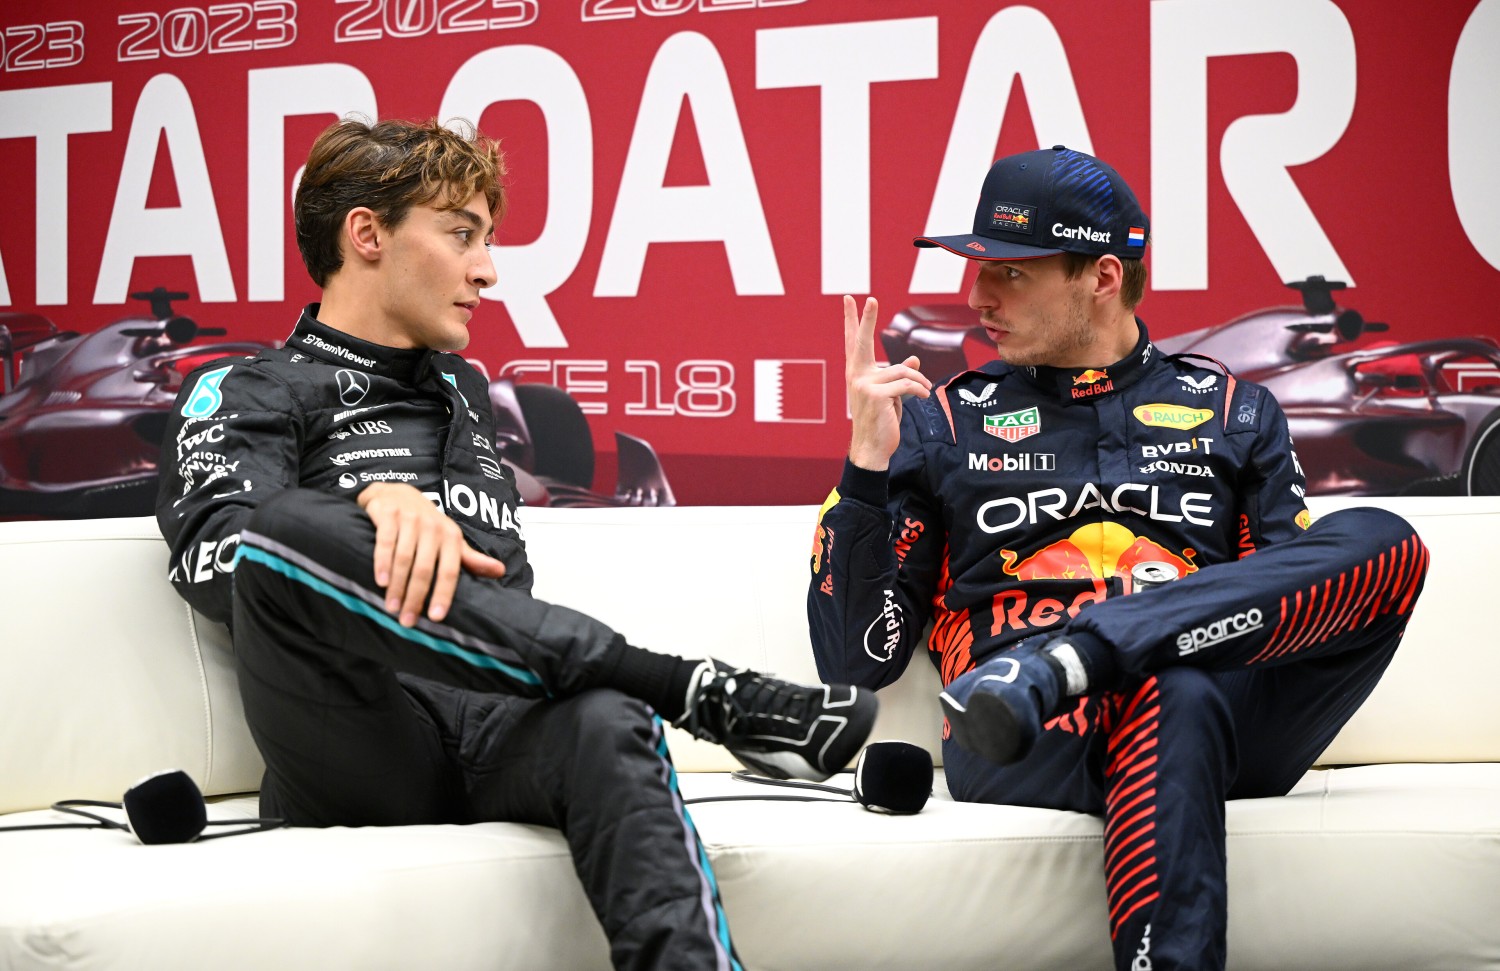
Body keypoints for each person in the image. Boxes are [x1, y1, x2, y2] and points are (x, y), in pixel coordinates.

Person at [157, 116, 876, 971]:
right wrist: (369, 505)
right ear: (366, 234)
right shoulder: (248, 386)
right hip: (356, 732)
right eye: (462, 235)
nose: (487, 270)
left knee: (608, 719)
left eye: (487, 241)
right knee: (278, 532)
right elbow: (216, 558)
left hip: (498, 717)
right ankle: (691, 686)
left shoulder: (466, 389)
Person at [808, 145, 1428, 971]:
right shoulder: (941, 422)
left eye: (1011, 272)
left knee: (1386, 540)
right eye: (976, 267)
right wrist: (864, 471)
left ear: (1101, 276)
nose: (976, 296)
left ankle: (1083, 654)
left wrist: (1140, 639)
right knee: (1168, 685)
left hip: (1222, 709)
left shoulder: (1238, 411)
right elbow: (858, 656)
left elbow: (1296, 612)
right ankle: (1080, 666)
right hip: (1022, 724)